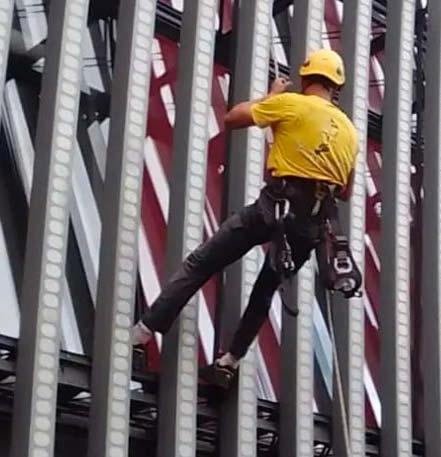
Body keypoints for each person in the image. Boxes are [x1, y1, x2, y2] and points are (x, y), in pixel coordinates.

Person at [132, 48, 359, 389]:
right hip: (310, 225)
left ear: (306, 77)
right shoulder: (350, 131)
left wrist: (272, 97)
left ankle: (142, 334)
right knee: (265, 290)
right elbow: (345, 192)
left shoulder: (293, 103)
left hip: (274, 207)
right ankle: (229, 363)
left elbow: (233, 117)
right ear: (335, 86)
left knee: (203, 262)